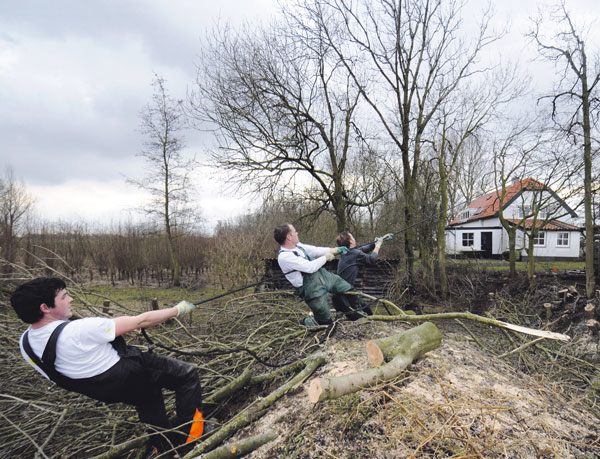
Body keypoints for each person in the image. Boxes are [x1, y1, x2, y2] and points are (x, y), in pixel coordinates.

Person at [10, 277, 205, 454]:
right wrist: (177, 310)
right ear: (45, 307)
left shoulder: (26, 343)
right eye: (64, 296)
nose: (70, 299)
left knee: (148, 397)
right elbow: (141, 320)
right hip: (129, 372)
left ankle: (162, 449)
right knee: (187, 375)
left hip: (102, 391)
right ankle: (191, 439)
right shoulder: (78, 330)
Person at [274, 223, 356, 326]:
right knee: (325, 321)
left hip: (321, 275)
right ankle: (308, 322)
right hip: (310, 288)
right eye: (294, 232)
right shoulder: (285, 257)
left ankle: (356, 314)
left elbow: (315, 250)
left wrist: (335, 250)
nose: (297, 233)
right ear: (289, 237)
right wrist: (326, 257)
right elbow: (310, 267)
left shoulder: (298, 246)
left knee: (347, 289)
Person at [333, 231, 392, 316]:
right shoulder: (355, 253)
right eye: (352, 237)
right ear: (351, 242)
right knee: (362, 315)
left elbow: (364, 248)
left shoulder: (347, 253)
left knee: (364, 309)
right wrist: (378, 245)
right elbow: (372, 259)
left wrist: (379, 240)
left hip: (341, 291)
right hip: (347, 292)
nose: (354, 238)